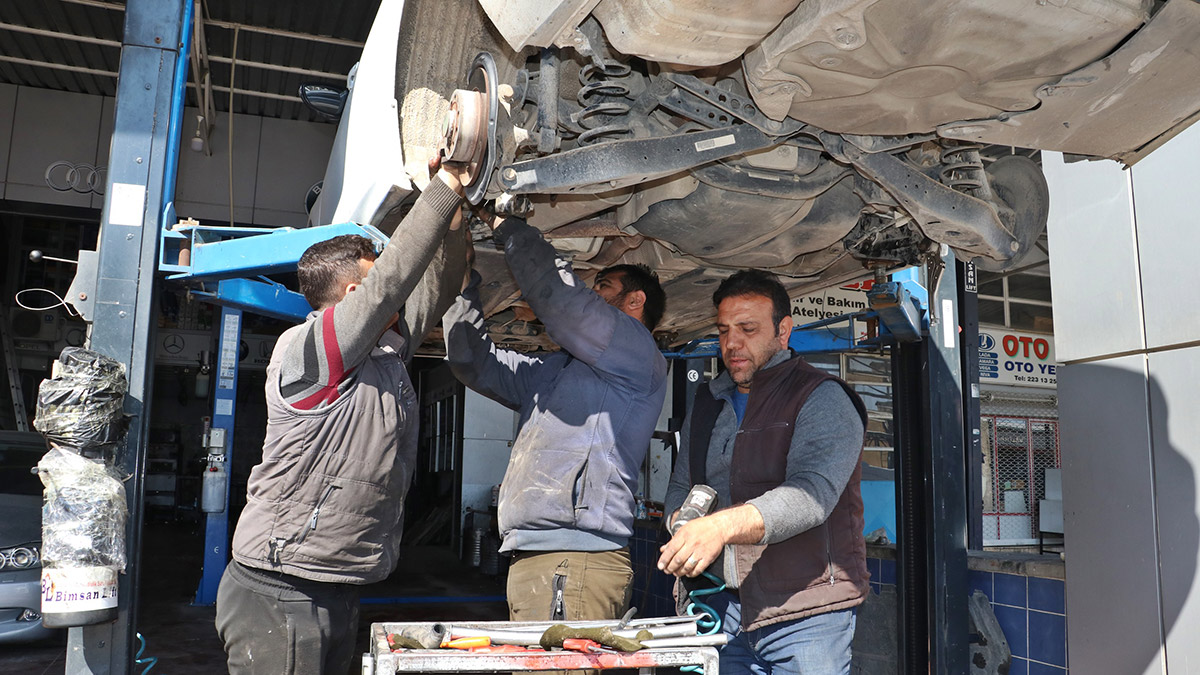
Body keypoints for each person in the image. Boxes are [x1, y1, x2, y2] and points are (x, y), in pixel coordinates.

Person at [215, 165, 469, 675]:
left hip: (335, 582)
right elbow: (392, 285)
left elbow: (438, 286)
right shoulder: (309, 350)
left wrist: (457, 220)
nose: (392, 304)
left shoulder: (383, 355)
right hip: (280, 585)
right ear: (353, 297)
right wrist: (446, 185)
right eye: (374, 287)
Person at [443, 213, 668, 624]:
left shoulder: (639, 352)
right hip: (537, 555)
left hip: (578, 558)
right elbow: (472, 363)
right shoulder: (554, 369)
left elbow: (566, 308)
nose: (592, 292)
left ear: (635, 302)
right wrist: (462, 287)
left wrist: (508, 224)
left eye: (603, 286)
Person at [660, 269, 869, 675]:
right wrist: (682, 525)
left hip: (805, 614)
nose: (732, 343)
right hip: (719, 608)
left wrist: (718, 528)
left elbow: (811, 494)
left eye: (748, 328)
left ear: (783, 331)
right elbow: (681, 487)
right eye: (723, 330)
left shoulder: (822, 397)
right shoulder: (707, 402)